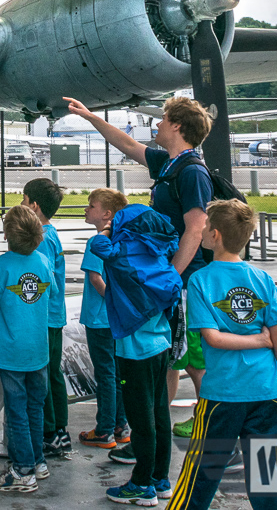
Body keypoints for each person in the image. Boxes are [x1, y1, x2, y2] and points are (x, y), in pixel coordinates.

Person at [63, 96, 214, 436]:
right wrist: (90, 117)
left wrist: (169, 276)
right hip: (166, 280)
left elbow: (195, 227)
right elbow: (127, 143)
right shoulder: (170, 163)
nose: (156, 124)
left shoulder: (191, 172)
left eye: (162, 119)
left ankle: (192, 431)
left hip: (180, 281)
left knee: (187, 357)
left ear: (177, 125)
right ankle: (152, 433)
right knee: (170, 359)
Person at [167, 200, 277, 510]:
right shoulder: (263, 279)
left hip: (224, 394)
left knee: (199, 476)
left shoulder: (200, 280)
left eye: (206, 226)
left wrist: (260, 343)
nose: (203, 231)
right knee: (268, 478)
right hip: (267, 390)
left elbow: (212, 338)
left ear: (216, 235)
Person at [97, 204, 182, 506]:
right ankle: (161, 478)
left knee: (141, 420)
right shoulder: (158, 256)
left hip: (135, 353)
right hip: (160, 346)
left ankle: (141, 484)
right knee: (160, 415)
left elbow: (98, 245)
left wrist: (107, 229)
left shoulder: (123, 257)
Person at [0, 205, 52, 494]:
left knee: (16, 411)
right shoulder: (43, 262)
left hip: (13, 353)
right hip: (39, 350)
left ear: (7, 234)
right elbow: (49, 292)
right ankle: (37, 461)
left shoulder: (0, 266)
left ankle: (22, 471)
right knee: (35, 407)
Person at [20, 177, 71, 458]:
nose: (21, 203)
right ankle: (59, 429)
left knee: (44, 375)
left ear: (34, 205)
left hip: (45, 318)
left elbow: (39, 282)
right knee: (53, 373)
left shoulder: (39, 240)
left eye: (24, 199)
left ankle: (50, 431)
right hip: (55, 316)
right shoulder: (52, 234)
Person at [77, 189, 128, 450]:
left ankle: (105, 429)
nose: (86, 209)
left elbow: (96, 278)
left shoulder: (97, 241)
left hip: (100, 320)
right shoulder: (122, 239)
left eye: (91, 205)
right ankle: (122, 425)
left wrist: (113, 302)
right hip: (117, 321)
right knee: (118, 373)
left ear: (107, 214)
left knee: (105, 374)